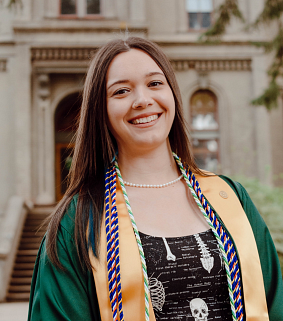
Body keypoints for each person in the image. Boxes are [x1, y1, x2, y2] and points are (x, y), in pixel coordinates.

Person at [27, 37, 283, 321]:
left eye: (155, 83)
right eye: (121, 91)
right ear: (101, 110)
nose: (143, 100)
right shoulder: (78, 222)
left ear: (172, 93)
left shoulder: (230, 198)